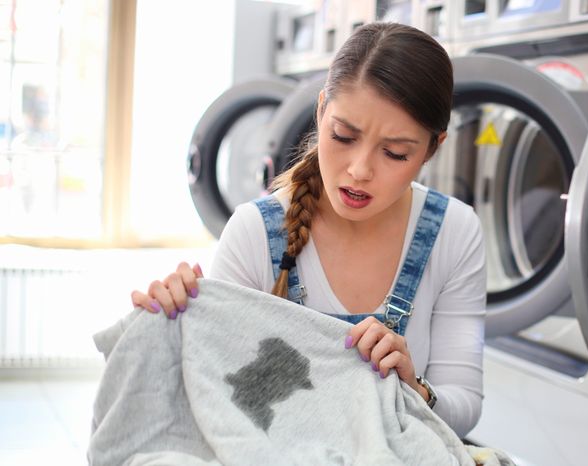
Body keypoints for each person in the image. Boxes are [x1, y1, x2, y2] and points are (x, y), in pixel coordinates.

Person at [129, 22, 486, 438]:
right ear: (321, 112)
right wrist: (174, 329)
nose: (360, 170)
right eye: (343, 136)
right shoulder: (255, 233)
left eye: (394, 153)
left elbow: (465, 404)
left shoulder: (454, 232)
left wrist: (414, 388)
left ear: (432, 148)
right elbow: (215, 402)